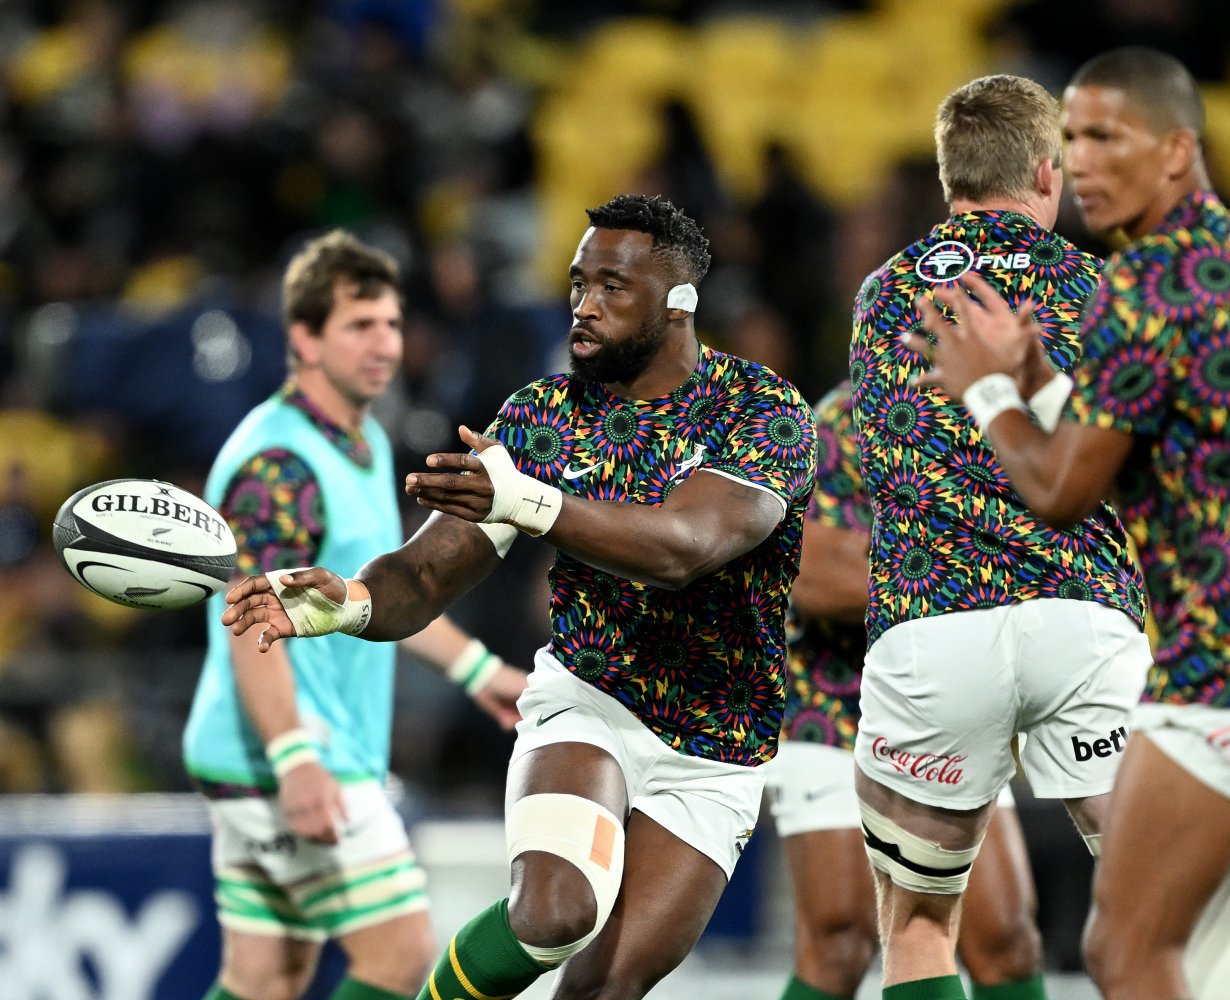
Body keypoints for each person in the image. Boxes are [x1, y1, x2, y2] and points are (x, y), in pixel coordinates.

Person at [222, 194, 816, 1000]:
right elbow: (425, 574)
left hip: (720, 743)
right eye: (578, 283)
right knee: (554, 914)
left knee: (603, 989)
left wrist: (529, 502)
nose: (585, 305)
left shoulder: (762, 410)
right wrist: (350, 602)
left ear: (678, 304)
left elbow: (686, 548)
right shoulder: (543, 418)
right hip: (590, 699)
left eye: (612, 287)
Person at [906, 48, 1230, 1000]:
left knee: (1125, 954)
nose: (1082, 162)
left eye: (1107, 136)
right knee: (1224, 961)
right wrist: (1038, 376)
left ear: (1176, 150)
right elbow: (1190, 436)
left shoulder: (1146, 285)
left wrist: (990, 391)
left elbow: (1060, 492)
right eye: (1074, 138)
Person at [848, 74, 1153, 1000]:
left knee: (919, 925)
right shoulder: (1101, 290)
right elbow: (1146, 455)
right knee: (1160, 910)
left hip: (933, 628)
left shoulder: (881, 295)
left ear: (952, 179)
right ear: (1048, 173)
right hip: (1083, 618)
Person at [182, 230, 529, 1000]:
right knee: (400, 954)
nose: (385, 344)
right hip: (290, 750)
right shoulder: (280, 464)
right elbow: (251, 621)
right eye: (359, 325)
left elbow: (375, 597)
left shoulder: (361, 438)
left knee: (266, 978)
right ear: (305, 339)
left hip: (268, 751)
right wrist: (294, 758)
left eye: (392, 323)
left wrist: (479, 671)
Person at [764, 382, 1045, 1000]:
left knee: (1006, 941)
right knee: (840, 943)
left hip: (955, 709)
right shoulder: (844, 420)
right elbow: (814, 577)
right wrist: (978, 567)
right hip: (836, 708)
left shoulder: (1001, 419)